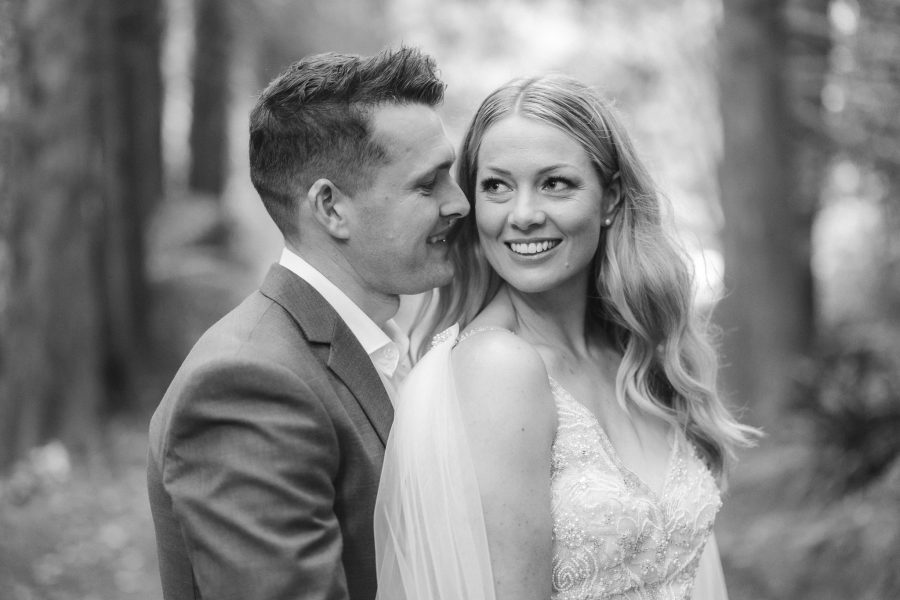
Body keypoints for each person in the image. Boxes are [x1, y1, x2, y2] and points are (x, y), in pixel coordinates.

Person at [374, 74, 759, 600]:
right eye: (497, 186)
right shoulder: (496, 366)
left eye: (555, 183)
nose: (524, 215)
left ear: (610, 200)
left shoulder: (632, 353)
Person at [147, 47, 469, 600]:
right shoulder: (247, 383)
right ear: (331, 207)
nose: (459, 202)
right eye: (428, 184)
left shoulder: (383, 346)